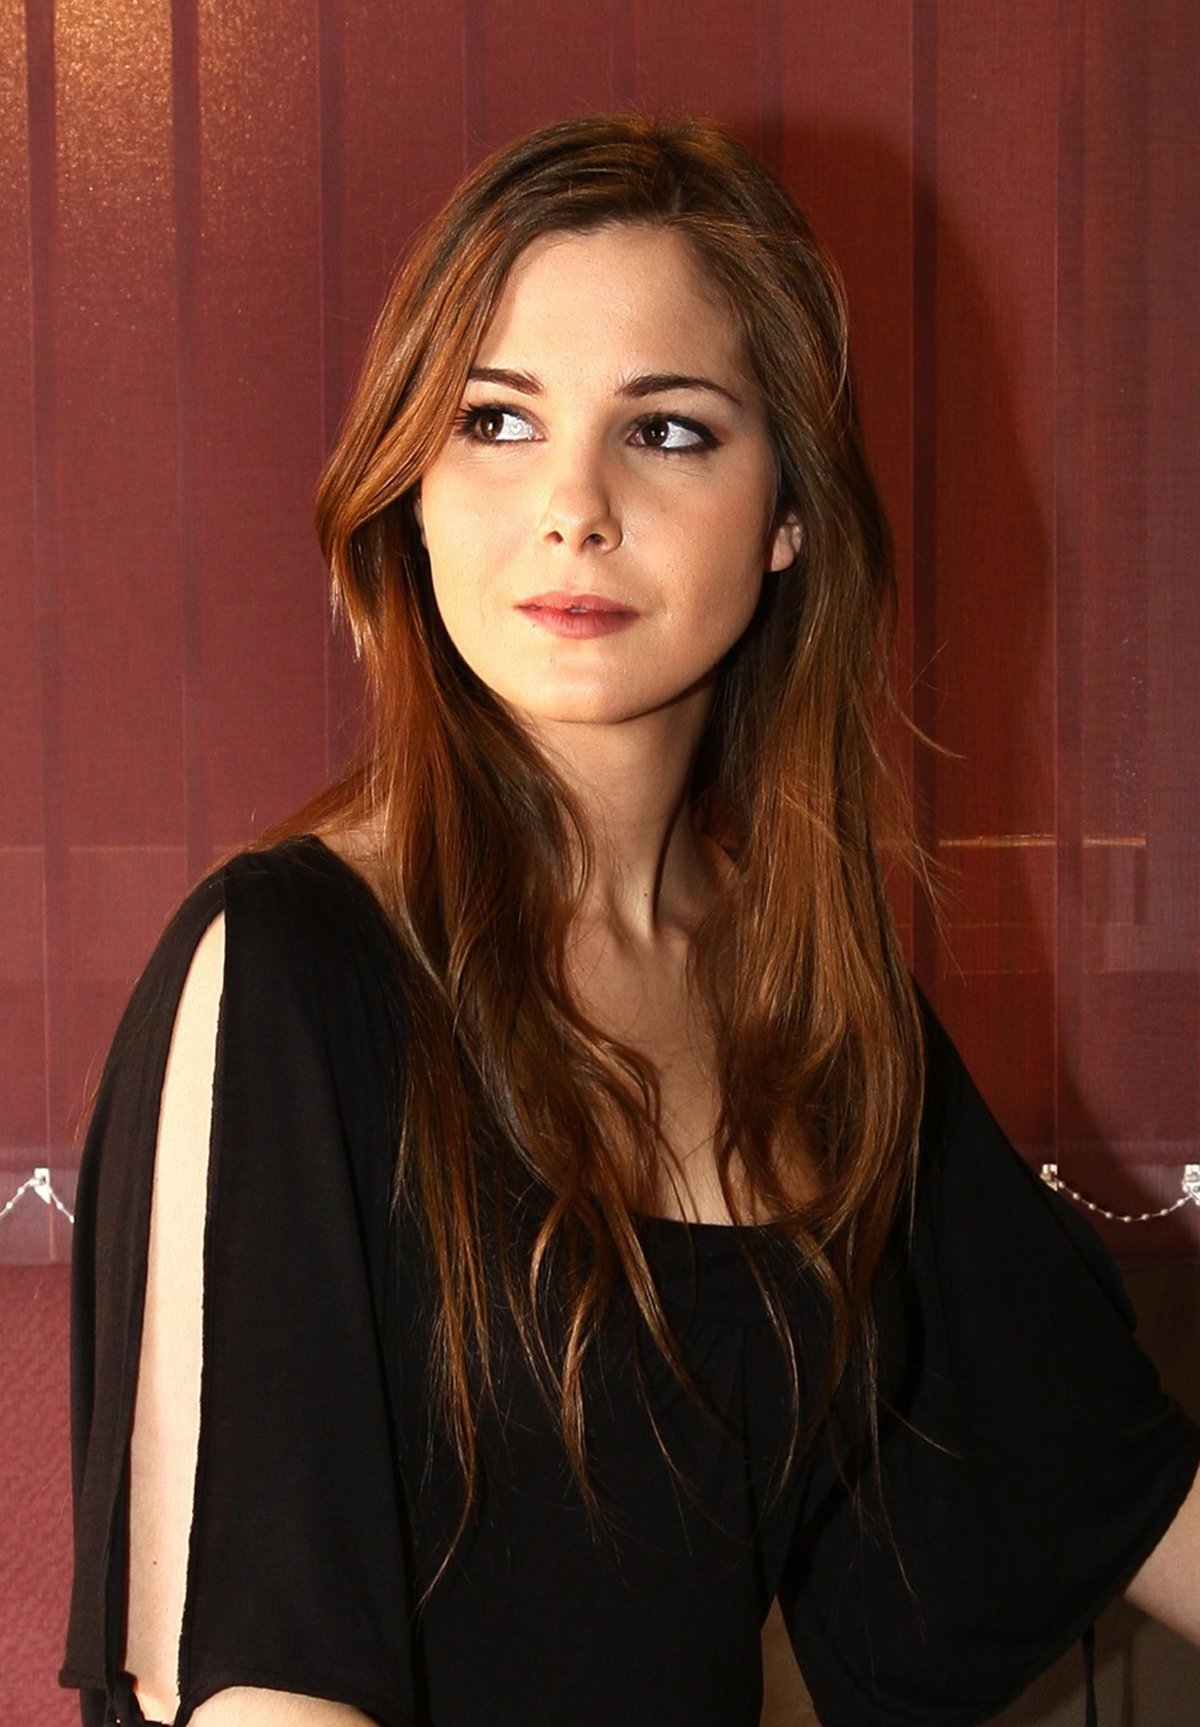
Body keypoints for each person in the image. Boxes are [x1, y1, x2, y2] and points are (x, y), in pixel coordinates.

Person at [61, 114, 1199, 1727]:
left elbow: (1110, 1480)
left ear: (788, 515)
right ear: (409, 492)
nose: (574, 506)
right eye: (495, 420)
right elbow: (252, 1691)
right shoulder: (288, 967)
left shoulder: (814, 992)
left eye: (665, 431)